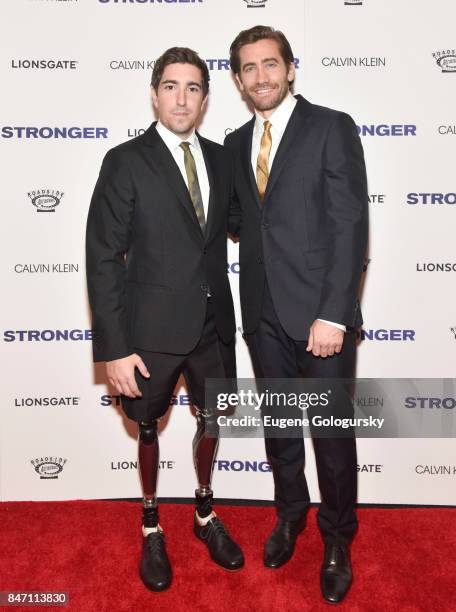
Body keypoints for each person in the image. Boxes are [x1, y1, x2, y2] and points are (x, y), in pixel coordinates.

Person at [86, 47, 244, 593]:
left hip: (213, 327)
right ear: (154, 94)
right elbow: (103, 255)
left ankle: (204, 513)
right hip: (148, 334)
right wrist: (113, 346)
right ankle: (151, 521)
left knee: (212, 423)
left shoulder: (224, 160)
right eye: (171, 86)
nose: (182, 97)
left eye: (193, 87)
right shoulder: (125, 160)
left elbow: (248, 225)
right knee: (147, 429)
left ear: (204, 98)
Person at [225, 26, 368, 604]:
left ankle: (338, 537)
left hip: (319, 320)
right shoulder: (236, 143)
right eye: (249, 68)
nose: (261, 77)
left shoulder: (331, 127)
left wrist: (334, 313)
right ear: (237, 80)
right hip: (262, 314)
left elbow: (349, 223)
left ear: (290, 68)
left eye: (270, 64)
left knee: (331, 437)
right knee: (281, 432)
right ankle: (291, 517)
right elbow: (240, 219)